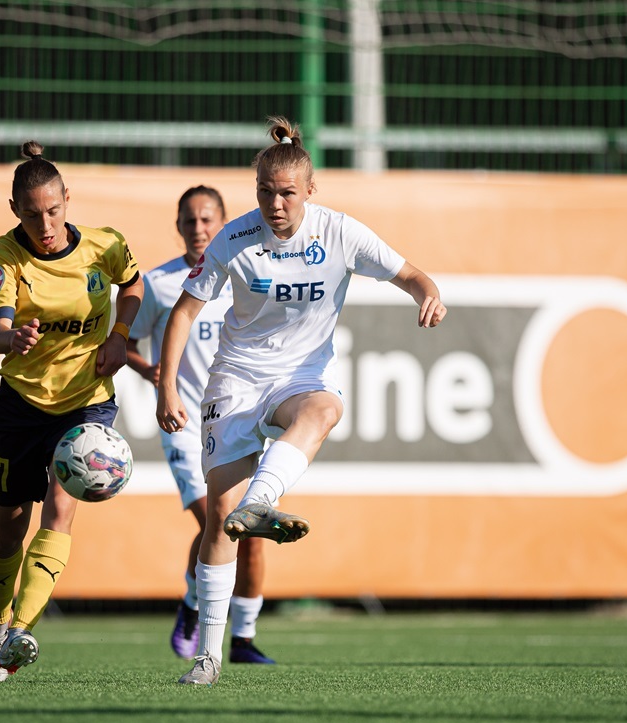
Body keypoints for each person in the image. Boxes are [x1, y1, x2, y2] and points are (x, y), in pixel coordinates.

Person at [156, 116, 448, 686]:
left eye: (288, 192)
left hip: (300, 375)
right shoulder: (235, 239)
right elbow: (185, 311)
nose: (276, 203)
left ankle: (262, 500)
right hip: (236, 381)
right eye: (265, 192)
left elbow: (410, 274)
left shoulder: (340, 233)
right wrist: (167, 385)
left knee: (325, 409)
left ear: (310, 191)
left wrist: (429, 294)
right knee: (218, 519)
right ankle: (209, 658)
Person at [0, 141, 142, 681]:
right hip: (23, 405)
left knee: (61, 507)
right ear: (14, 210)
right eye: (31, 213)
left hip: (86, 404)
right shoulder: (4, 258)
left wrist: (119, 336)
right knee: (9, 528)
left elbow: (134, 285)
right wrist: (12, 336)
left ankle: (18, 636)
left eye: (53, 210)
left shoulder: (104, 245)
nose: (44, 223)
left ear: (68, 200)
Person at [126, 185, 275, 665]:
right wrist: (151, 372)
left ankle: (244, 641)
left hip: (241, 419)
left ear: (225, 223)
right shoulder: (162, 283)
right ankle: (196, 606)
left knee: (246, 530)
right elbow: (123, 341)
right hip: (188, 425)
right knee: (217, 519)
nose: (199, 229)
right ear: (178, 226)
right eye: (189, 221)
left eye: (208, 220)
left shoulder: (249, 272)